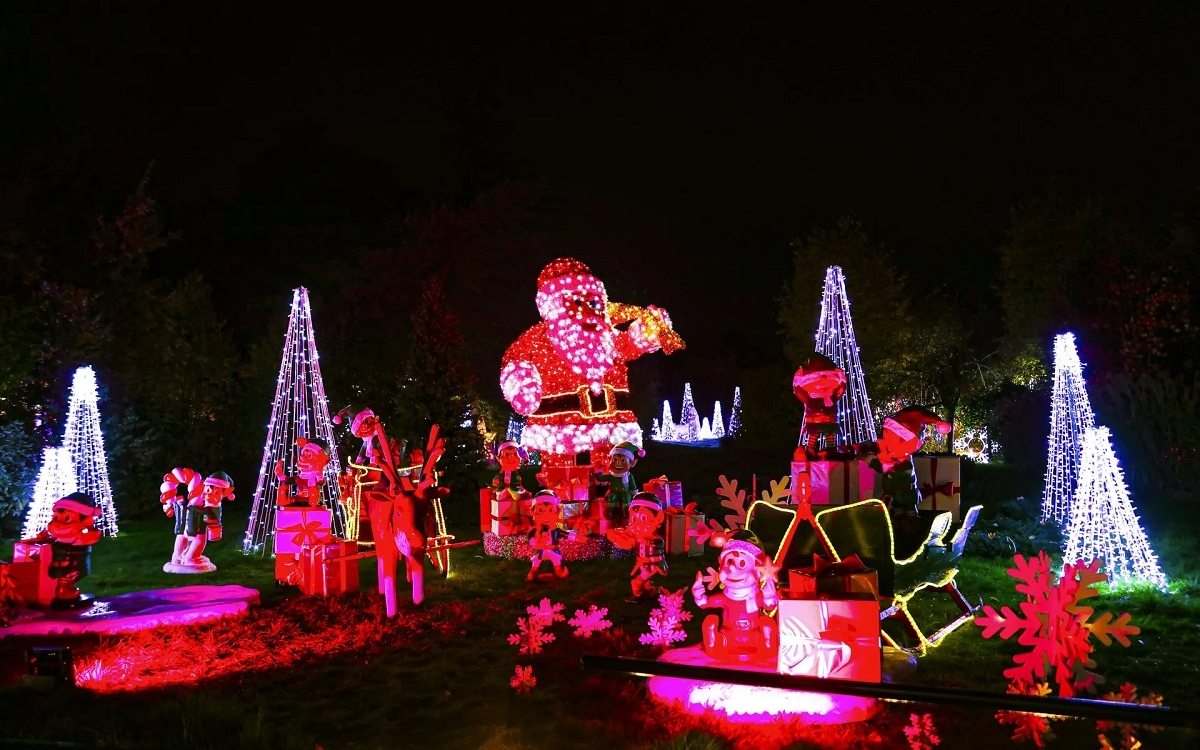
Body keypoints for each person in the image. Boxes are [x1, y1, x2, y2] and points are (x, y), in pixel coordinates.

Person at [499, 257, 678, 469]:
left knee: (609, 470)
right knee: (560, 473)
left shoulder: (607, 337)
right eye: (576, 302)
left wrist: (649, 331)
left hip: (611, 422)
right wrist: (522, 384)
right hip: (559, 423)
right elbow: (516, 359)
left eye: (593, 303)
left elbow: (631, 343)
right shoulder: (540, 337)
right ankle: (557, 494)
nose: (587, 311)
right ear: (554, 304)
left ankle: (612, 494)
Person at [691, 530, 780, 664]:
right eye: (729, 562)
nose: (732, 569)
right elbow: (705, 603)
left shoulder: (755, 596)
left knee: (767, 623)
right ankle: (714, 644)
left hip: (753, 634)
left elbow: (769, 605)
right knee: (710, 621)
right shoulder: (725, 597)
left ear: (758, 570)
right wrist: (699, 596)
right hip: (728, 634)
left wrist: (768, 594)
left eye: (742, 564)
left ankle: (767, 646)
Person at [21, 492, 101, 608]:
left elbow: (92, 536)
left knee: (72, 575)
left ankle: (65, 593)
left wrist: (85, 534)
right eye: (56, 518)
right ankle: (64, 594)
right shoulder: (60, 536)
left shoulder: (82, 535)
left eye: (67, 518)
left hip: (74, 559)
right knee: (64, 577)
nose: (59, 524)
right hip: (60, 560)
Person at [606, 492, 668, 601]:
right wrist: (620, 538)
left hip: (652, 565)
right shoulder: (637, 536)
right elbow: (627, 541)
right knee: (646, 582)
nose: (638, 524)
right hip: (642, 563)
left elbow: (658, 544)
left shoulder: (655, 538)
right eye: (634, 519)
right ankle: (652, 592)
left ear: (658, 518)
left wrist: (650, 542)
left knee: (636, 582)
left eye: (643, 518)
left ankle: (638, 595)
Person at [526, 490, 570, 581]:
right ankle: (532, 574)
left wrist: (576, 537)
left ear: (557, 512)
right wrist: (535, 543)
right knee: (535, 565)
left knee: (557, 563)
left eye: (550, 510)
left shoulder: (555, 530)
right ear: (532, 512)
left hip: (553, 550)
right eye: (540, 510)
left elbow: (565, 534)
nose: (545, 515)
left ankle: (559, 573)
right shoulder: (536, 530)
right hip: (539, 551)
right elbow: (530, 538)